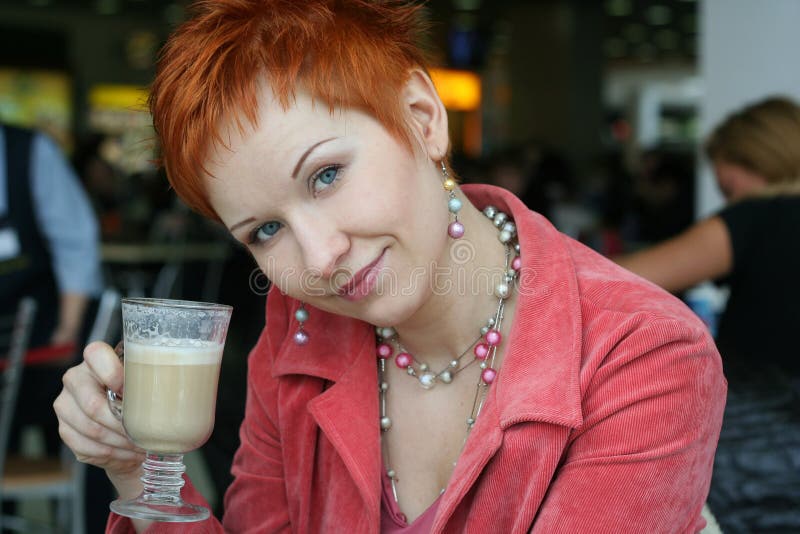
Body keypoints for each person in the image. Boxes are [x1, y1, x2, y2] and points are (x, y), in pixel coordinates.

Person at [54, 1, 726, 532]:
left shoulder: (642, 355)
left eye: (325, 175)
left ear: (423, 117)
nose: (320, 258)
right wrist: (136, 470)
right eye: (264, 230)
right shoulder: (299, 329)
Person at [616, 96, 800, 532]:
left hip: (765, 436)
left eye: (724, 176)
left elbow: (617, 278)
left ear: (753, 158)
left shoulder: (758, 218)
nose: (721, 185)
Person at [0, 123, 102, 453]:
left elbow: (76, 242)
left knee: (77, 430)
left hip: (48, 332)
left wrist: (68, 328)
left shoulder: (30, 151)